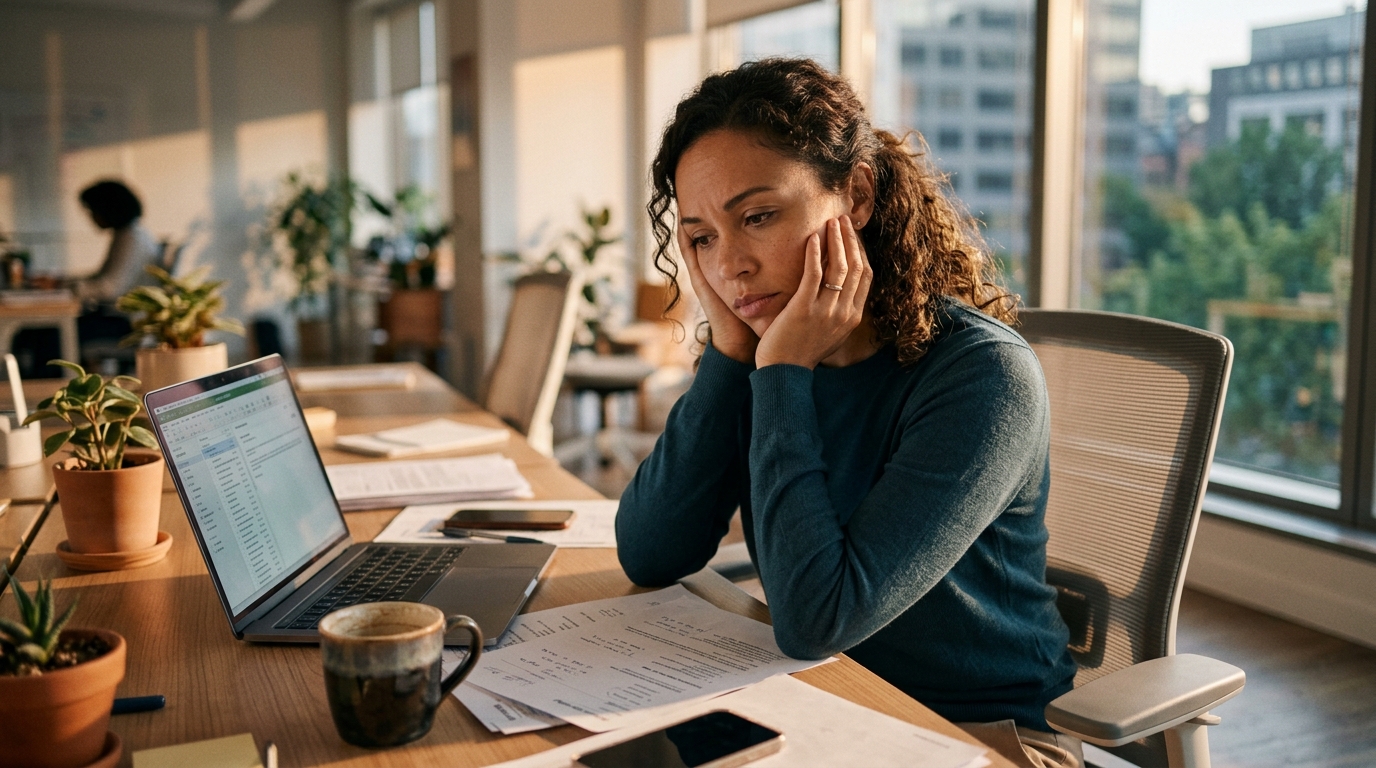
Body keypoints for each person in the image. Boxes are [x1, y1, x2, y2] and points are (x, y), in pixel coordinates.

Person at [615, 58, 1081, 768]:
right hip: (813, 703)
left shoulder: (983, 376)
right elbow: (649, 553)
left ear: (856, 195)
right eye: (702, 236)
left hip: (975, 736)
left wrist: (779, 371)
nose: (730, 264)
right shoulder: (763, 353)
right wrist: (731, 356)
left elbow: (815, 619)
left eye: (759, 217)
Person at [73, 179, 162, 304]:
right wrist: (64, 283)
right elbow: (101, 277)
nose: (91, 217)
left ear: (108, 209)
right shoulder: (127, 233)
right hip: (119, 313)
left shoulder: (130, 237)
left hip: (128, 318)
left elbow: (109, 289)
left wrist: (71, 289)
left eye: (93, 210)